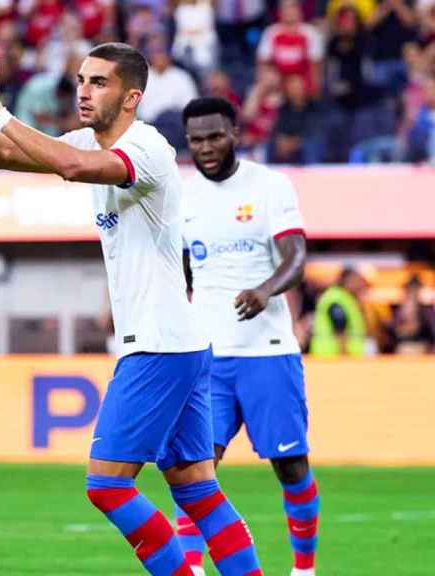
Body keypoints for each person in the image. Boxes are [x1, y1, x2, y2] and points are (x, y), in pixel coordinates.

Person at [0, 42, 262, 576]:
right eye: (81, 79)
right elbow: (2, 155)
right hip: (180, 342)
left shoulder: (147, 148)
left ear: (132, 97)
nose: (83, 90)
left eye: (99, 82)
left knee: (106, 484)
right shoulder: (90, 138)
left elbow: (73, 167)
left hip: (158, 345)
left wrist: (1, 111)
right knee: (197, 492)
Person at [177, 97, 318, 576]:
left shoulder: (269, 186)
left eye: (215, 136)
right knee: (196, 468)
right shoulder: (183, 197)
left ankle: (303, 570)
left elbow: (296, 256)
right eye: (196, 140)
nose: (206, 147)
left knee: (291, 467)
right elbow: (179, 272)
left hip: (267, 352)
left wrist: (265, 289)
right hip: (208, 360)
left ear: (236, 132)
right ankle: (192, 569)